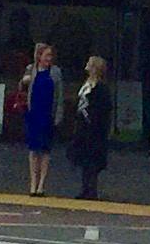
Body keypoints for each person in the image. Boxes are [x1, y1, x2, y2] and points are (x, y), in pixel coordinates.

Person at [66, 54, 114, 201]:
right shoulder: (87, 84)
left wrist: (92, 117)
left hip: (95, 128)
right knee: (84, 158)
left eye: (89, 63)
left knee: (92, 160)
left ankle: (91, 189)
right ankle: (85, 188)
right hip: (83, 127)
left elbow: (104, 108)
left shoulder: (101, 87)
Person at [20, 41, 61, 196]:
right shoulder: (32, 70)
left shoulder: (56, 72)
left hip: (47, 114)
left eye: (51, 55)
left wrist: (58, 116)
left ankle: (41, 184)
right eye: (46, 55)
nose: (49, 58)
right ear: (39, 56)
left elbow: (59, 94)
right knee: (33, 149)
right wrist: (24, 81)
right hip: (34, 113)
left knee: (45, 150)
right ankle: (33, 182)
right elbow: (23, 86)